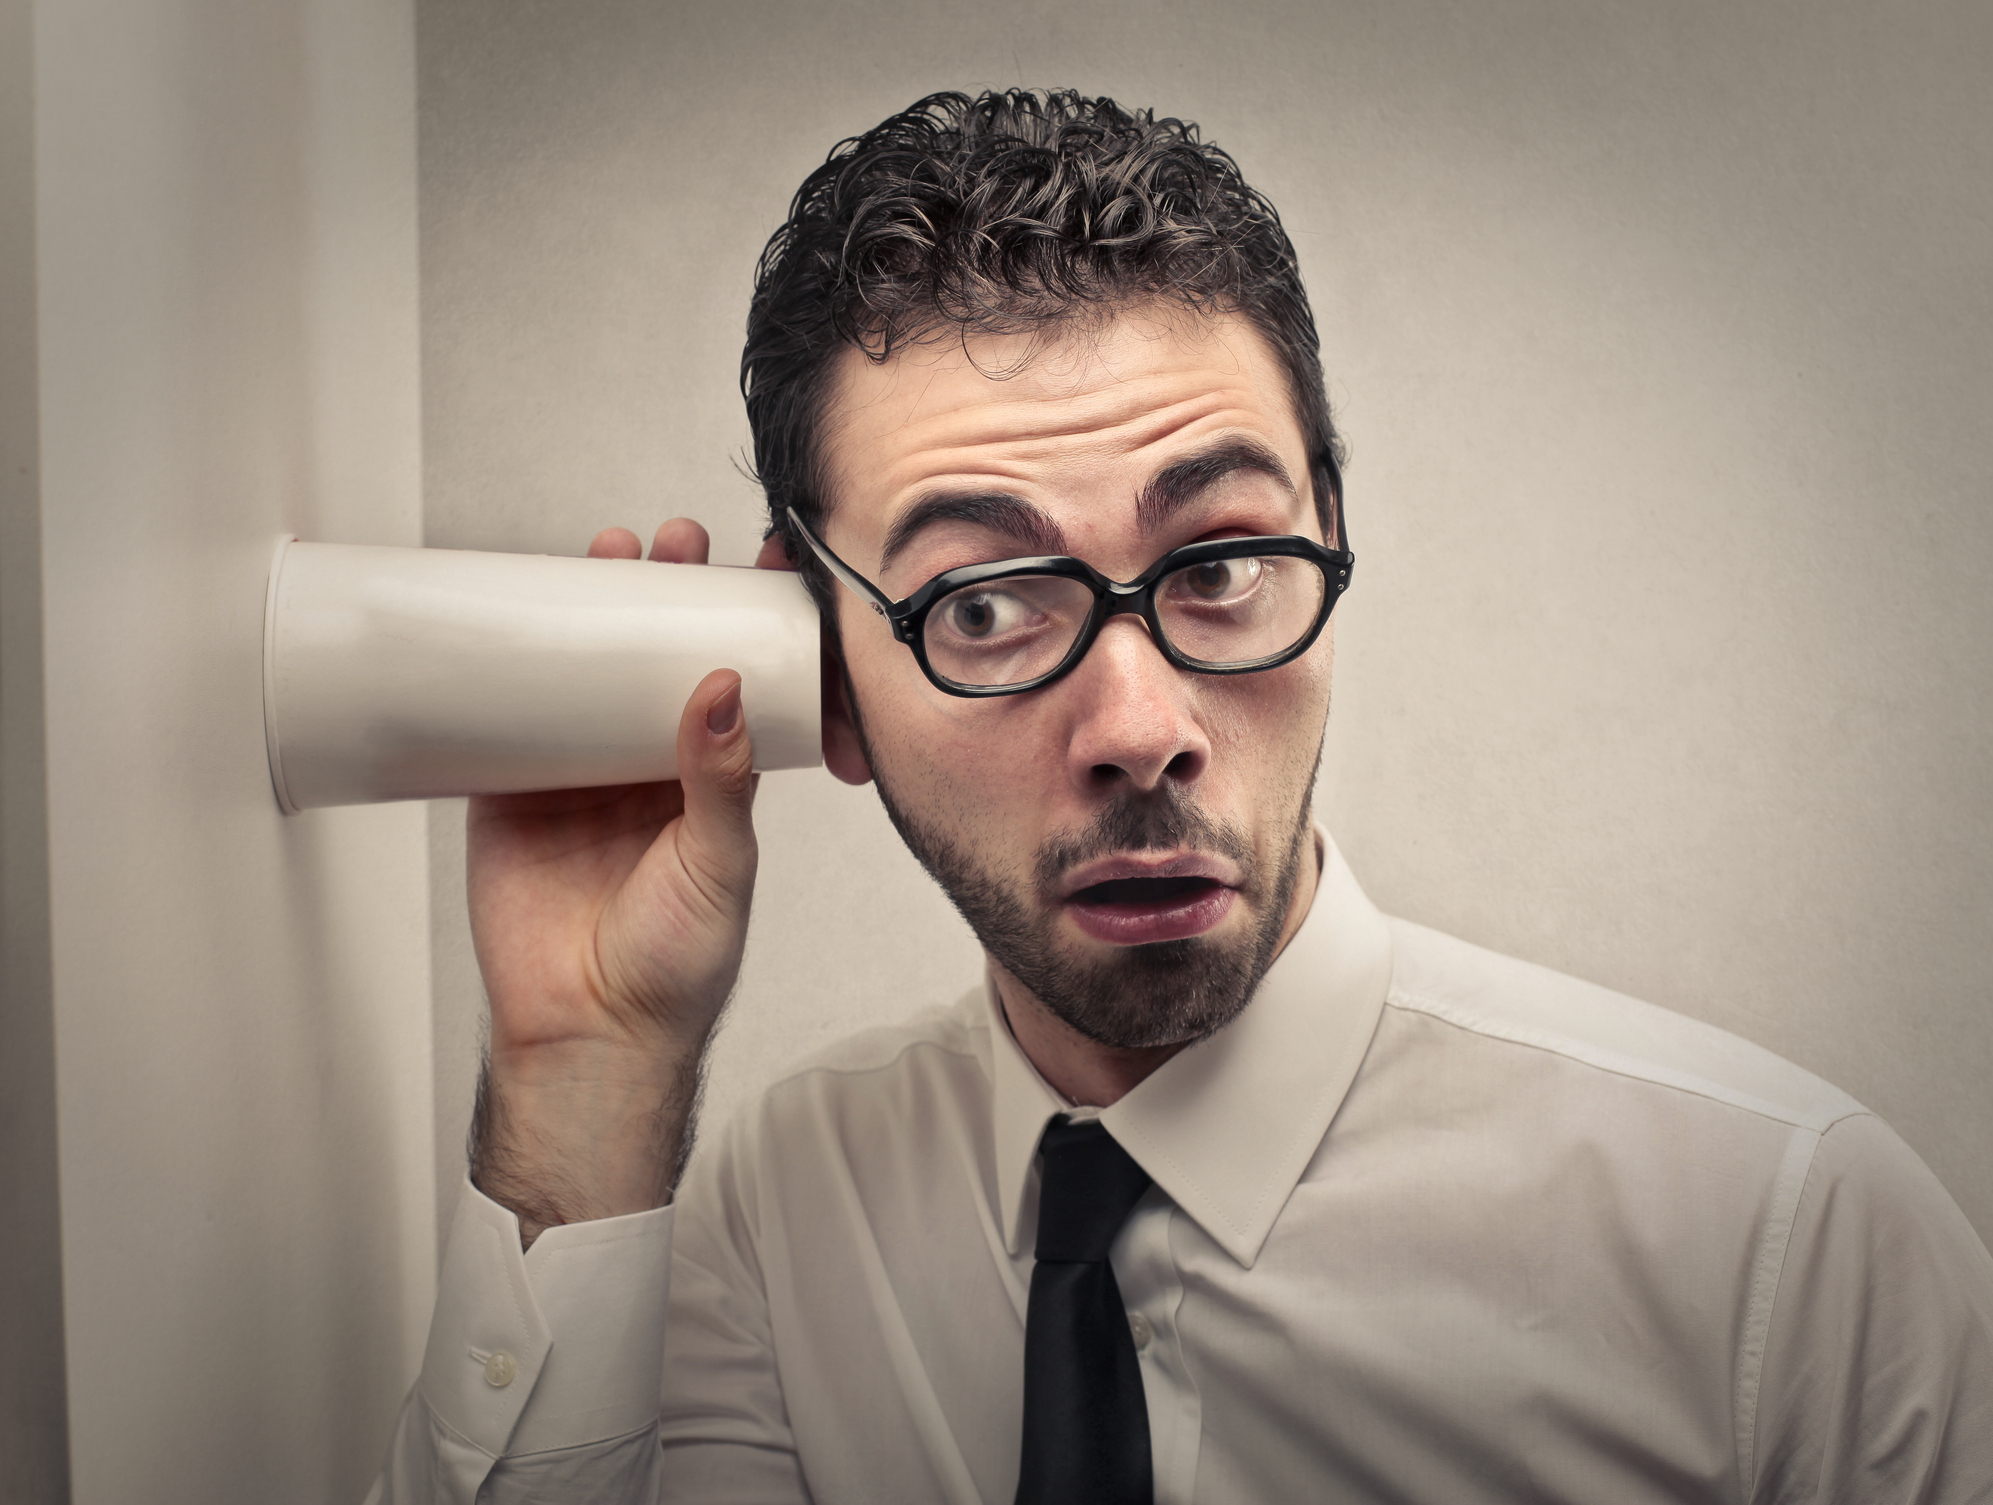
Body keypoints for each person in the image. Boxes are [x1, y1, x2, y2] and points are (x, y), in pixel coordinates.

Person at [367, 90, 1993, 1504]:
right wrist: (584, 1071)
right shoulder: (789, 1221)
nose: (1138, 729)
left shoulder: (1793, 1243)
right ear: (828, 679)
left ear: (1329, 534)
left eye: (1218, 564)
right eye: (983, 604)